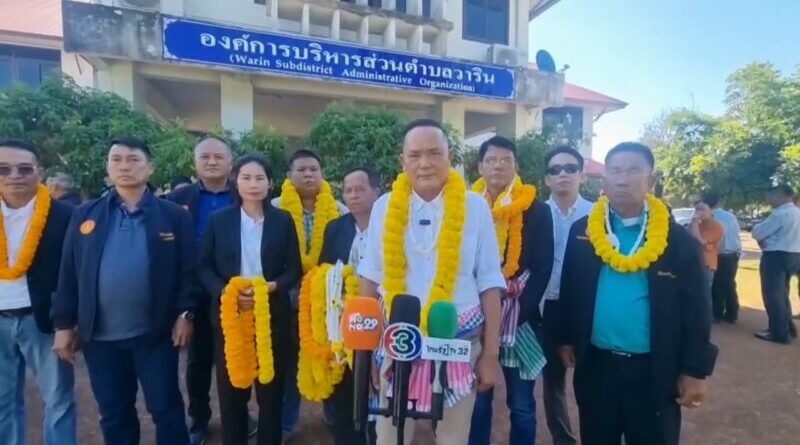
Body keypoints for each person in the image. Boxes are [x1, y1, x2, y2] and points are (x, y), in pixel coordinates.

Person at [556, 142, 717, 445]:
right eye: (615, 171)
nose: (622, 179)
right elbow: (570, 288)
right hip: (597, 366)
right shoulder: (583, 232)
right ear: (604, 179)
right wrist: (566, 338)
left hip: (653, 370)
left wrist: (696, 370)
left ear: (651, 180)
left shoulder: (678, 242)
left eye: (633, 171)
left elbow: (698, 309)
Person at [359, 119, 506, 445]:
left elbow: (489, 283)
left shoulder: (475, 207)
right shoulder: (385, 207)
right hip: (398, 341)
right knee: (389, 439)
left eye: (434, 153)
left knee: (453, 439)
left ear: (449, 156)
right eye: (415, 155)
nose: (424, 163)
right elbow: (370, 277)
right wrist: (365, 354)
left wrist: (490, 354)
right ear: (402, 161)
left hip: (459, 341)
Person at [52, 137, 195, 445]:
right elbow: (69, 272)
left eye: (133, 159)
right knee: (114, 412)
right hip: (100, 337)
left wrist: (185, 313)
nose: (124, 166)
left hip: (155, 333)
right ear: (108, 167)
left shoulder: (173, 215)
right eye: (116, 159)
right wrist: (63, 324)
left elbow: (187, 270)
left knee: (166, 409)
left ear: (149, 167)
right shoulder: (85, 215)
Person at [197, 154, 302, 445]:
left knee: (271, 396)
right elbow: (203, 267)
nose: (253, 184)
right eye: (246, 178)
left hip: (272, 316)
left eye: (259, 178)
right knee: (232, 396)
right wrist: (225, 292)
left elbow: (294, 268)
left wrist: (272, 287)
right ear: (236, 181)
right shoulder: (219, 221)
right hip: (231, 317)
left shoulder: (282, 221)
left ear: (270, 183)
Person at [166, 136, 256, 444]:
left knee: (238, 356)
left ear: (231, 163)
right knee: (198, 361)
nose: (212, 161)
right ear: (195, 163)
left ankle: (239, 415)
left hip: (236, 291)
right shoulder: (178, 198)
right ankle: (199, 418)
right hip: (195, 291)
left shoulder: (246, 193)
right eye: (205, 157)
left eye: (219, 156)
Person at [468, 136, 554, 445]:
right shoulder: (467, 207)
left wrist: (517, 314)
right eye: (491, 160)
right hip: (476, 317)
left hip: (521, 319)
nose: (498, 166)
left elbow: (542, 267)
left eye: (505, 160)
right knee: (478, 400)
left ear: (516, 166)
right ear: (480, 167)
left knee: (521, 404)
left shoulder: (536, 209)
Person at [0, 140, 76, 445]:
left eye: (24, 168)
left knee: (58, 400)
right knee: (3, 402)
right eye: (3, 169)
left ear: (39, 172)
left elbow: (72, 275)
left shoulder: (65, 216)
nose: (14, 176)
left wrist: (66, 323)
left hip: (43, 319)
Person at [271, 148, 347, 436]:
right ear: (289, 175)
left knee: (329, 356)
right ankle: (285, 423)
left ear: (322, 174)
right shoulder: (275, 209)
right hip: (283, 297)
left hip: (327, 299)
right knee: (288, 362)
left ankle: (334, 415)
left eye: (314, 169)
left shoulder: (339, 210)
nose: (308, 175)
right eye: (301, 170)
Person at [319, 166, 381, 445]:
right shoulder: (336, 228)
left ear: (376, 192)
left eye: (360, 189)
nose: (353, 195)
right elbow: (324, 271)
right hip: (344, 322)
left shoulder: (392, 225)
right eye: (348, 190)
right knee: (345, 394)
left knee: (379, 390)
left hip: (382, 319)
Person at [540, 145, 593, 445]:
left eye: (570, 168)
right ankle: (563, 440)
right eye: (555, 170)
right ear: (546, 179)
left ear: (582, 175)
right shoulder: (536, 214)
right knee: (553, 383)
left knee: (591, 381)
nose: (563, 174)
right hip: (547, 307)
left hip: (587, 308)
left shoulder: (598, 215)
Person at [751, 184, 800, 344]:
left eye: (771, 196)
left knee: (773, 295)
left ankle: (779, 332)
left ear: (781, 196)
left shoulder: (780, 214)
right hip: (794, 255)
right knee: (783, 294)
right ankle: (787, 328)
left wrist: (766, 239)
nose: (769, 200)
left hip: (776, 255)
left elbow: (757, 232)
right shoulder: (797, 212)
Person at [706, 193, 742, 323]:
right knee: (729, 284)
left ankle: (718, 313)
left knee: (717, 286)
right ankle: (731, 313)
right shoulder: (730, 216)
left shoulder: (710, 217)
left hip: (720, 253)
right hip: (733, 253)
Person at [689, 198, 725, 298]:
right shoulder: (698, 224)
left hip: (706, 265)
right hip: (694, 263)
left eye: (702, 209)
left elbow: (700, 241)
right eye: (697, 209)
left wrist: (695, 223)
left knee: (703, 295)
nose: (699, 212)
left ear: (711, 210)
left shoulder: (716, 226)